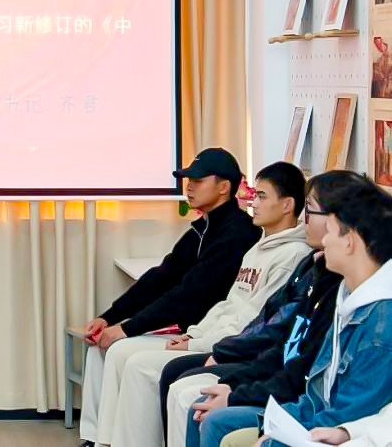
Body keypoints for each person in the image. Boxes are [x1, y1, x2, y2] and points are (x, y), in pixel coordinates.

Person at [106, 161, 311, 446]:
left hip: (236, 349)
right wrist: (195, 334)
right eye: (255, 194)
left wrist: (201, 345)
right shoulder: (257, 248)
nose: (253, 202)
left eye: (262, 196)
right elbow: (228, 304)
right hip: (215, 339)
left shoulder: (293, 255)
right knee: (125, 354)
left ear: (287, 205)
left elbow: (255, 323)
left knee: (147, 368)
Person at [79, 148, 261, 447]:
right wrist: (109, 318)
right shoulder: (203, 228)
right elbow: (161, 277)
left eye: (198, 180)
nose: (189, 187)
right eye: (188, 180)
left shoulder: (238, 233)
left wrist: (127, 328)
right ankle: (97, 438)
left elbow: (188, 294)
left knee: (123, 352)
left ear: (224, 187)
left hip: (202, 334)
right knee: (102, 347)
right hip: (190, 328)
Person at [168, 170, 360, 447]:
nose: (305, 218)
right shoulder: (312, 266)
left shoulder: (339, 288)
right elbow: (275, 331)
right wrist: (231, 379)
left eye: (311, 210)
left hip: (299, 401)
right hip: (278, 378)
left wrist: (233, 386)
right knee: (193, 392)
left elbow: (300, 367)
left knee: (207, 410)